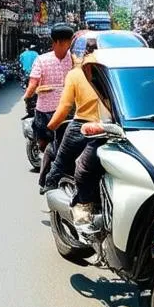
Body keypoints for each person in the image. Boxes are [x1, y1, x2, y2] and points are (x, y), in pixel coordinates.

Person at [45, 41, 107, 229]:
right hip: (109, 128)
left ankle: (49, 189)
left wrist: (51, 126)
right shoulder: (109, 72)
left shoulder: (75, 74)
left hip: (82, 126)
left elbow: (65, 107)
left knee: (60, 162)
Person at [23, 23, 74, 153]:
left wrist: (27, 97)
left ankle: (47, 159)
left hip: (45, 111)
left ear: (55, 41)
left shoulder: (42, 60)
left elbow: (33, 84)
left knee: (43, 143)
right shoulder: (74, 59)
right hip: (67, 110)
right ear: (69, 41)